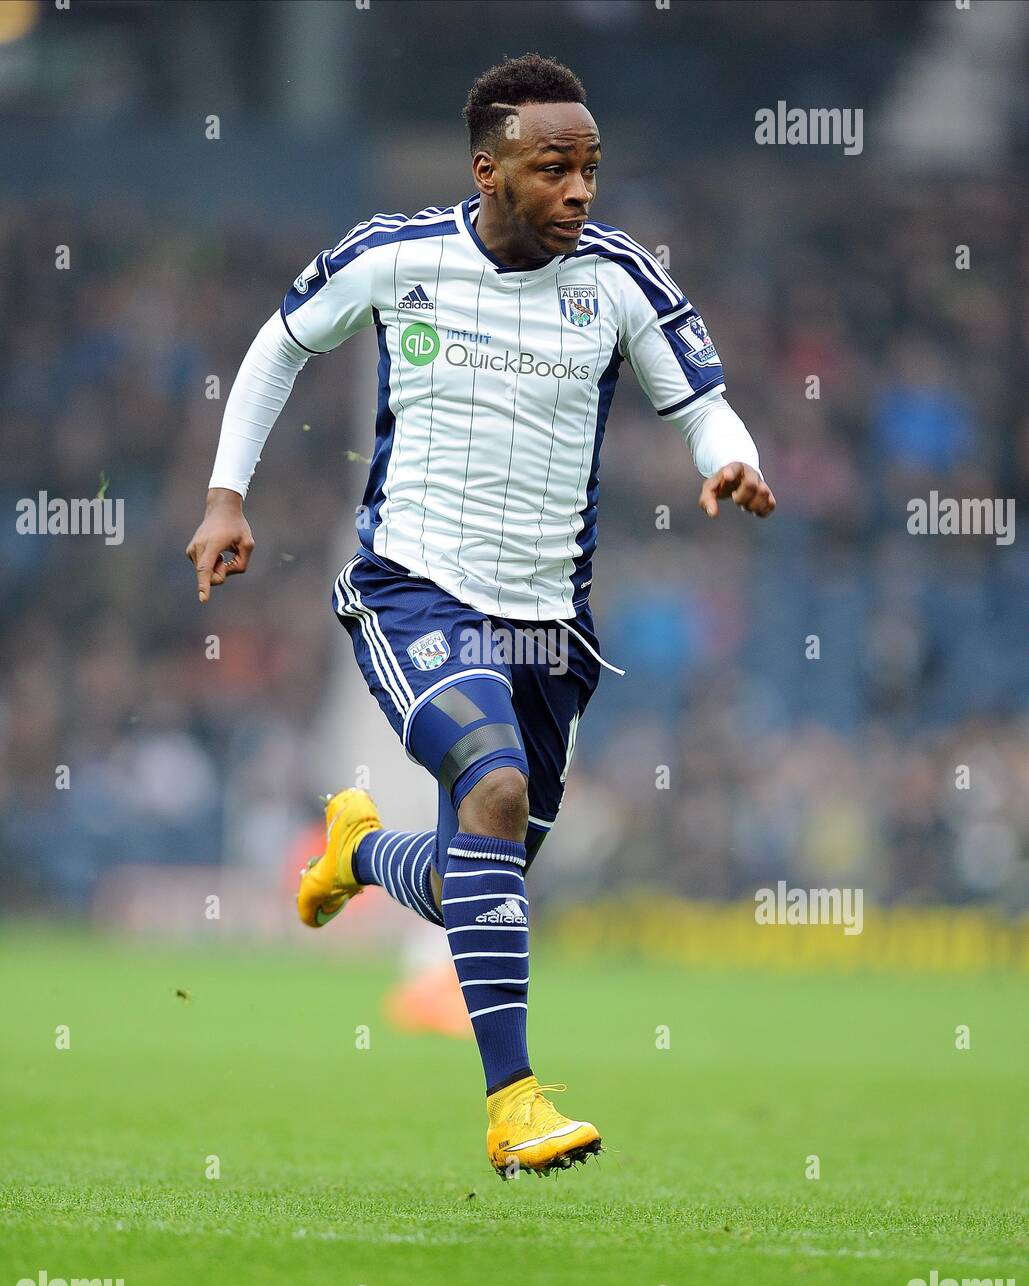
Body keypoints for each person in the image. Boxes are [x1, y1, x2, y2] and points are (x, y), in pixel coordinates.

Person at [186, 52, 774, 1179]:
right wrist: (226, 496)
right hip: (414, 591)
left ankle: (359, 853)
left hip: (550, 627)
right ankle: (515, 1104)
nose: (581, 193)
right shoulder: (395, 256)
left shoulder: (619, 282)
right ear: (489, 169)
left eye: (592, 170)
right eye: (555, 169)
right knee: (493, 787)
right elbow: (278, 346)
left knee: (476, 875)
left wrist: (732, 459)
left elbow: (702, 402)